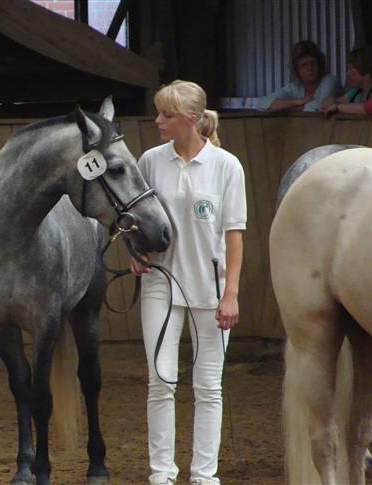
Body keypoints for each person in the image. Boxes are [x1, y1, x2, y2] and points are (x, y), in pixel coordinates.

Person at [131, 80, 246, 485]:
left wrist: (230, 294)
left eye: (166, 114)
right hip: (161, 283)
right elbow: (136, 221)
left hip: (210, 289)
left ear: (191, 120)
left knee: (208, 386)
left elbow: (234, 233)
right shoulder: (149, 161)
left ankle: (204, 475)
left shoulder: (226, 166)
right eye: (159, 112)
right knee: (160, 381)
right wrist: (134, 252)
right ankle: (161, 474)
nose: (157, 120)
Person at [256, 40, 341, 112]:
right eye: (304, 65)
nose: (309, 68)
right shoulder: (296, 87)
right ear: (296, 69)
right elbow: (262, 103)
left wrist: (287, 107)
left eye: (313, 63)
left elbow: (317, 107)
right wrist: (296, 102)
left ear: (319, 63)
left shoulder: (330, 81)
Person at [323, 46, 372, 115]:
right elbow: (328, 103)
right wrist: (332, 102)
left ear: (363, 68)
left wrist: (338, 107)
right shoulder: (355, 92)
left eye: (351, 68)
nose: (348, 73)